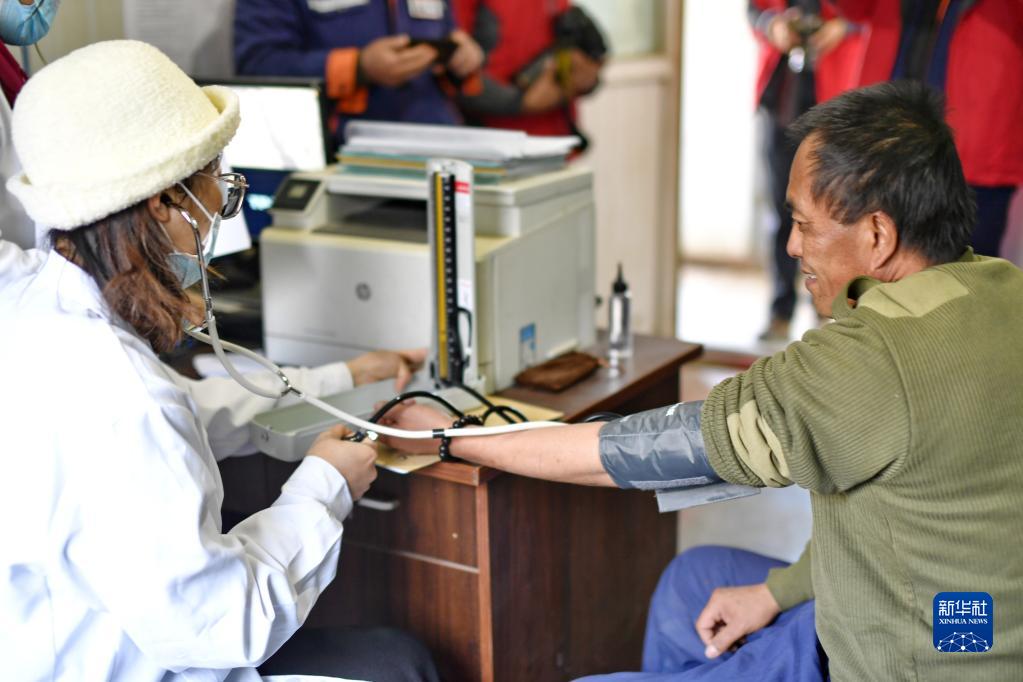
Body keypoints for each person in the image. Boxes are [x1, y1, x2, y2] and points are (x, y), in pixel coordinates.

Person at [379, 80, 1023, 680]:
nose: (793, 246)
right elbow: (911, 515)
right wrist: (777, 592)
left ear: (878, 234)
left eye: (804, 224)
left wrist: (450, 435)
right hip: (965, 617)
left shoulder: (867, 362)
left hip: (911, 659)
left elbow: (641, 450)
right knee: (693, 581)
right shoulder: (1000, 287)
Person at [0, 40, 439, 681]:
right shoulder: (127, 400)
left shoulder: (27, 305)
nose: (215, 223)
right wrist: (326, 488)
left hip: (45, 646)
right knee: (402, 663)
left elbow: (185, 414)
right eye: (220, 191)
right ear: (163, 202)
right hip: (139, 664)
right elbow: (227, 627)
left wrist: (340, 379)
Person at [834, 0, 1023, 259]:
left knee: (966, 269)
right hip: (887, 143)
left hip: (975, 153)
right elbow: (853, 7)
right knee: (881, 264)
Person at [748, 0, 863, 341]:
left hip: (838, 94)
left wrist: (844, 26)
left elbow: (880, 14)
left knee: (836, 210)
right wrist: (773, 26)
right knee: (781, 210)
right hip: (783, 98)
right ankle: (781, 309)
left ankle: (830, 307)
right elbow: (754, 9)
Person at [234, 0, 484, 143]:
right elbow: (258, 64)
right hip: (343, 157)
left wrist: (461, 58)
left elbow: (446, 35)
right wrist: (358, 67)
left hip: (437, 146)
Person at [452, 0, 605, 141]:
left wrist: (588, 77)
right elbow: (452, 68)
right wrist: (521, 102)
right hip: (497, 144)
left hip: (558, 140)